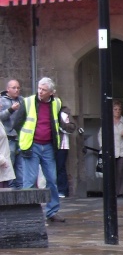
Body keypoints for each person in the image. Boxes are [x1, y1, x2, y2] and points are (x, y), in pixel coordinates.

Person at [12, 77, 65, 222]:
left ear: (51, 92)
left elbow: (59, 121)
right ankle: (27, 211)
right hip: (32, 145)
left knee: (52, 180)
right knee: (29, 180)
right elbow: (18, 123)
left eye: (44, 90)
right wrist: (23, 141)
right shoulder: (28, 102)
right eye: (39, 88)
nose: (40, 92)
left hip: (48, 146)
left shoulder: (57, 103)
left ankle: (52, 211)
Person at [99, 101, 123, 198]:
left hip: (122, 151)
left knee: (120, 172)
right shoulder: (107, 121)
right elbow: (101, 135)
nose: (117, 111)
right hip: (110, 150)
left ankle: (119, 192)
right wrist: (103, 146)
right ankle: (110, 191)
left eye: (119, 109)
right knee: (110, 172)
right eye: (115, 109)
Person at [0, 79, 22, 188]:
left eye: (18, 88)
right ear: (8, 89)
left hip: (21, 138)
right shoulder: (2, 101)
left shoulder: (22, 100)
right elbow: (1, 117)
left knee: (21, 167)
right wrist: (11, 110)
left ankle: (21, 192)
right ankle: (10, 190)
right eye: (14, 88)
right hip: (9, 138)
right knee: (9, 166)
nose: (17, 90)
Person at [55, 104, 77, 198]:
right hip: (47, 143)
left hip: (61, 145)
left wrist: (60, 121)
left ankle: (62, 190)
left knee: (60, 167)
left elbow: (71, 127)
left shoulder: (64, 112)